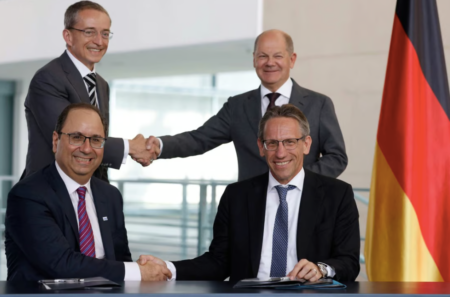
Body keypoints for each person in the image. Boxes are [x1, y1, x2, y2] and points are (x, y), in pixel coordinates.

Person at [139, 104, 360, 282]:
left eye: (290, 142)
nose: (281, 152)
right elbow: (219, 262)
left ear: (306, 144)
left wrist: (321, 269)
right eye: (272, 143)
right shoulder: (236, 196)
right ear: (260, 147)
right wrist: (168, 267)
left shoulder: (337, 195)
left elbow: (348, 262)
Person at [143, 29, 347, 181]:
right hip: (252, 206)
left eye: (277, 56)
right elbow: (199, 139)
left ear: (291, 60)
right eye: (262, 56)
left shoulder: (319, 104)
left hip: (304, 203)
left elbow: (337, 157)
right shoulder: (237, 107)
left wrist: (297, 179)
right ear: (254, 60)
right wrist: (158, 146)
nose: (269, 62)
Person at [5, 103, 171, 282]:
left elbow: (120, 260)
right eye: (76, 137)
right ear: (55, 141)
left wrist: (139, 268)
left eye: (96, 140)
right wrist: (137, 272)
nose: (86, 148)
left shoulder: (111, 195)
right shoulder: (28, 195)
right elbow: (61, 264)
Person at [24, 1, 153, 182]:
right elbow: (71, 140)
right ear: (68, 36)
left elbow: (99, 139)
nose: (99, 41)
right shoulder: (48, 78)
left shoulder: (101, 84)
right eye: (89, 32)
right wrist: (130, 147)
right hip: (48, 192)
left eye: (105, 33)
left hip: (90, 191)